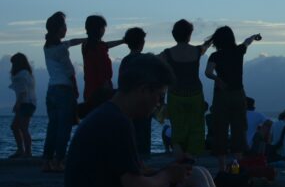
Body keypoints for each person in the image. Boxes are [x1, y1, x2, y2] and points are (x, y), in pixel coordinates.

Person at [62, 53, 248, 187]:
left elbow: (80, 181)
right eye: (159, 96)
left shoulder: (108, 116)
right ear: (143, 90)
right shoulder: (116, 123)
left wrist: (165, 174)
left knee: (197, 180)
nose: (159, 104)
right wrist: (167, 176)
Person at [204, 27, 261, 173]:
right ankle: (237, 166)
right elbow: (247, 42)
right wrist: (254, 36)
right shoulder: (239, 50)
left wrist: (218, 79)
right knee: (239, 129)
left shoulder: (215, 56)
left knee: (220, 129)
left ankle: (222, 168)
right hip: (238, 94)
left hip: (221, 95)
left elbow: (208, 72)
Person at [160, 20, 212, 160]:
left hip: (175, 95)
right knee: (196, 129)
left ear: (173, 35)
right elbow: (205, 46)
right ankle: (190, 158)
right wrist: (211, 40)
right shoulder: (196, 51)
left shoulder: (167, 54)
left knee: (177, 130)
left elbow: (154, 64)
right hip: (195, 94)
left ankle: (179, 160)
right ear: (189, 35)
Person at [42, 11, 85, 172]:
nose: (66, 28)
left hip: (51, 90)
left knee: (52, 127)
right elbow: (70, 71)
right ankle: (59, 161)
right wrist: (75, 89)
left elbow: (71, 42)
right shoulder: (61, 50)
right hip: (64, 90)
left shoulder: (48, 47)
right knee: (64, 128)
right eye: (65, 26)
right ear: (59, 28)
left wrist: (84, 40)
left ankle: (46, 161)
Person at [80, 14, 125, 115]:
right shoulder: (99, 48)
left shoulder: (86, 46)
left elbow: (106, 45)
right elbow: (102, 71)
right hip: (101, 92)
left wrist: (122, 41)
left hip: (89, 91)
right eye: (103, 28)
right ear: (99, 29)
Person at [119, 27, 153, 157]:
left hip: (128, 103)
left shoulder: (125, 61)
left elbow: (122, 83)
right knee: (143, 134)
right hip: (144, 101)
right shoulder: (147, 60)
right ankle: (143, 161)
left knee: (130, 134)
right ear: (141, 42)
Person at [9, 53, 36, 158]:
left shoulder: (21, 75)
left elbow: (23, 92)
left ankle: (26, 152)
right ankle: (22, 150)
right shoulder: (27, 73)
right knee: (16, 126)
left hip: (25, 103)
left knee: (22, 128)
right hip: (29, 103)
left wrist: (17, 104)